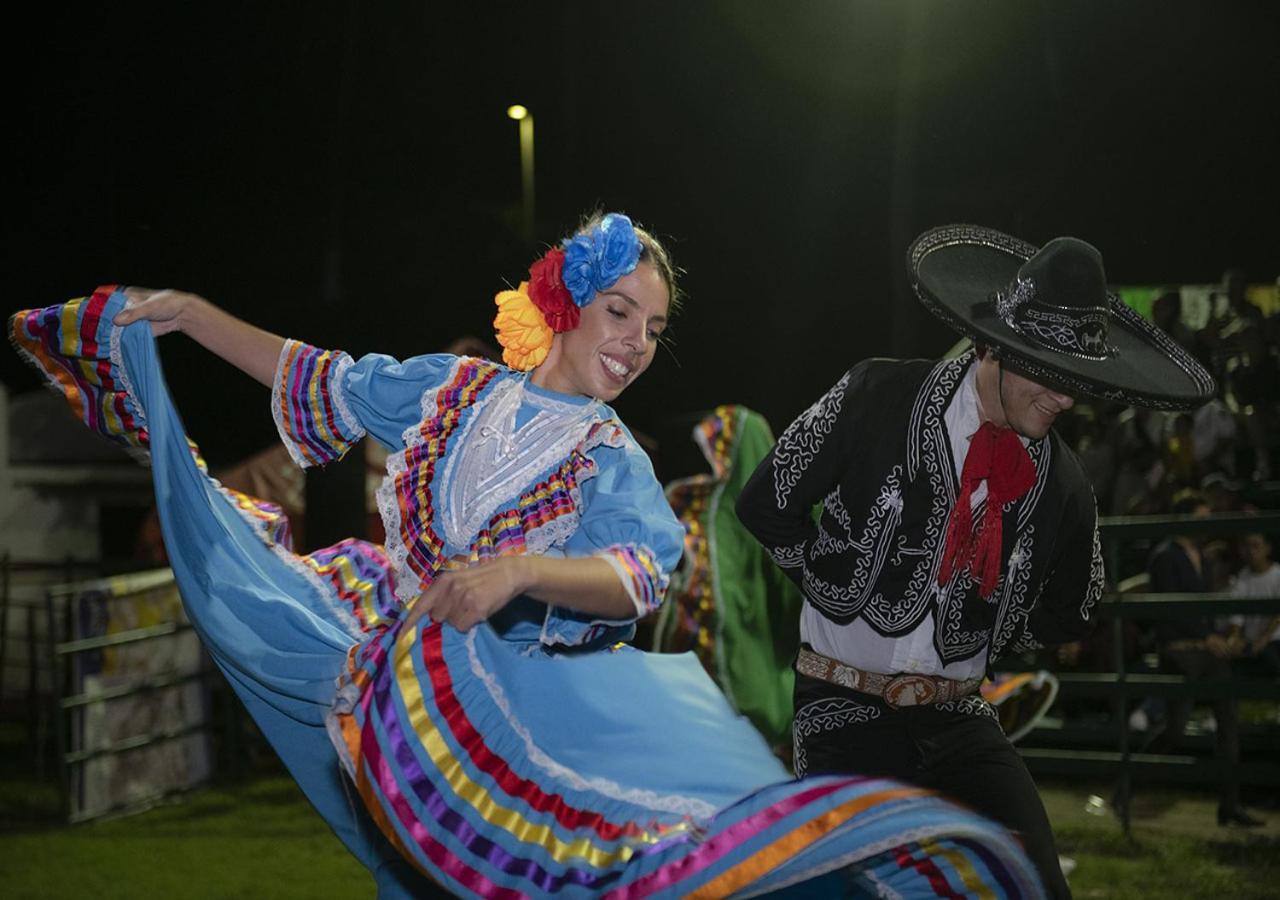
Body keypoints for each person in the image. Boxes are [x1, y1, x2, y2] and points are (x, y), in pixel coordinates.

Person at [11, 214, 1043, 898]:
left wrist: (519, 572)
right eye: (619, 313)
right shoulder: (450, 392)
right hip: (394, 671)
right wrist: (190, 317)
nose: (637, 343)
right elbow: (310, 374)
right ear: (567, 305)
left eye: (653, 328)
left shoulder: (608, 455)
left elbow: (648, 571)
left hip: (520, 712)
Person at [736, 224, 1217, 899]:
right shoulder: (876, 395)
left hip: (958, 720)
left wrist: (997, 623)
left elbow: (1076, 609)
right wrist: (838, 585)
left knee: (1037, 887)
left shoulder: (1066, 486)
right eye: (1052, 375)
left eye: (1079, 379)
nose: (1068, 398)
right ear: (995, 346)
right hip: (843, 709)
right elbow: (765, 503)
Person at [1142, 490, 1262, 828]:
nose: (1207, 524)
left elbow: (1204, 608)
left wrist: (1216, 636)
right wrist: (1206, 636)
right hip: (1180, 650)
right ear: (1184, 519)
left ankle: (1230, 804)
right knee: (1175, 731)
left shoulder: (1203, 558)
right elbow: (1169, 608)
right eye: (1200, 517)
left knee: (1228, 722)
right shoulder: (1165, 556)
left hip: (1203, 652)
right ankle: (1128, 782)